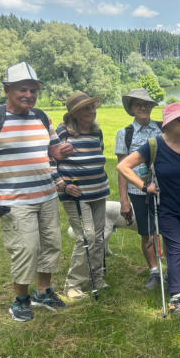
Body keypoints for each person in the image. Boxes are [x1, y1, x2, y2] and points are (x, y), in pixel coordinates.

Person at [0, 62, 74, 322]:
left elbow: (52, 150)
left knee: (51, 245)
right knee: (25, 249)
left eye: (33, 90)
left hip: (47, 195)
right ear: (7, 90)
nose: (29, 95)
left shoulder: (42, 117)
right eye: (22, 90)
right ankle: (21, 300)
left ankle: (43, 291)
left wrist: (60, 151)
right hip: (14, 200)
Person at [117, 102, 180, 320]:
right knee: (178, 249)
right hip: (166, 208)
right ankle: (176, 298)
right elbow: (123, 166)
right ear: (169, 122)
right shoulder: (154, 145)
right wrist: (144, 186)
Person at [55, 92, 110, 300]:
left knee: (99, 236)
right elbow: (49, 159)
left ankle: (96, 277)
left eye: (93, 107)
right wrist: (63, 184)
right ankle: (73, 285)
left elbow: (99, 153)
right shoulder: (63, 132)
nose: (92, 111)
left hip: (99, 190)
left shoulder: (97, 132)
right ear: (75, 113)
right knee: (87, 237)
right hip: (76, 194)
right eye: (87, 108)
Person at [114, 88, 163, 290]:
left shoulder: (163, 128)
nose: (143, 108)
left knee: (167, 230)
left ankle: (171, 268)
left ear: (152, 106)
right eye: (138, 105)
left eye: (147, 104)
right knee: (147, 232)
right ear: (132, 109)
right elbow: (122, 170)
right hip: (139, 192)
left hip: (164, 190)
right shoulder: (125, 134)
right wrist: (124, 201)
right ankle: (154, 271)